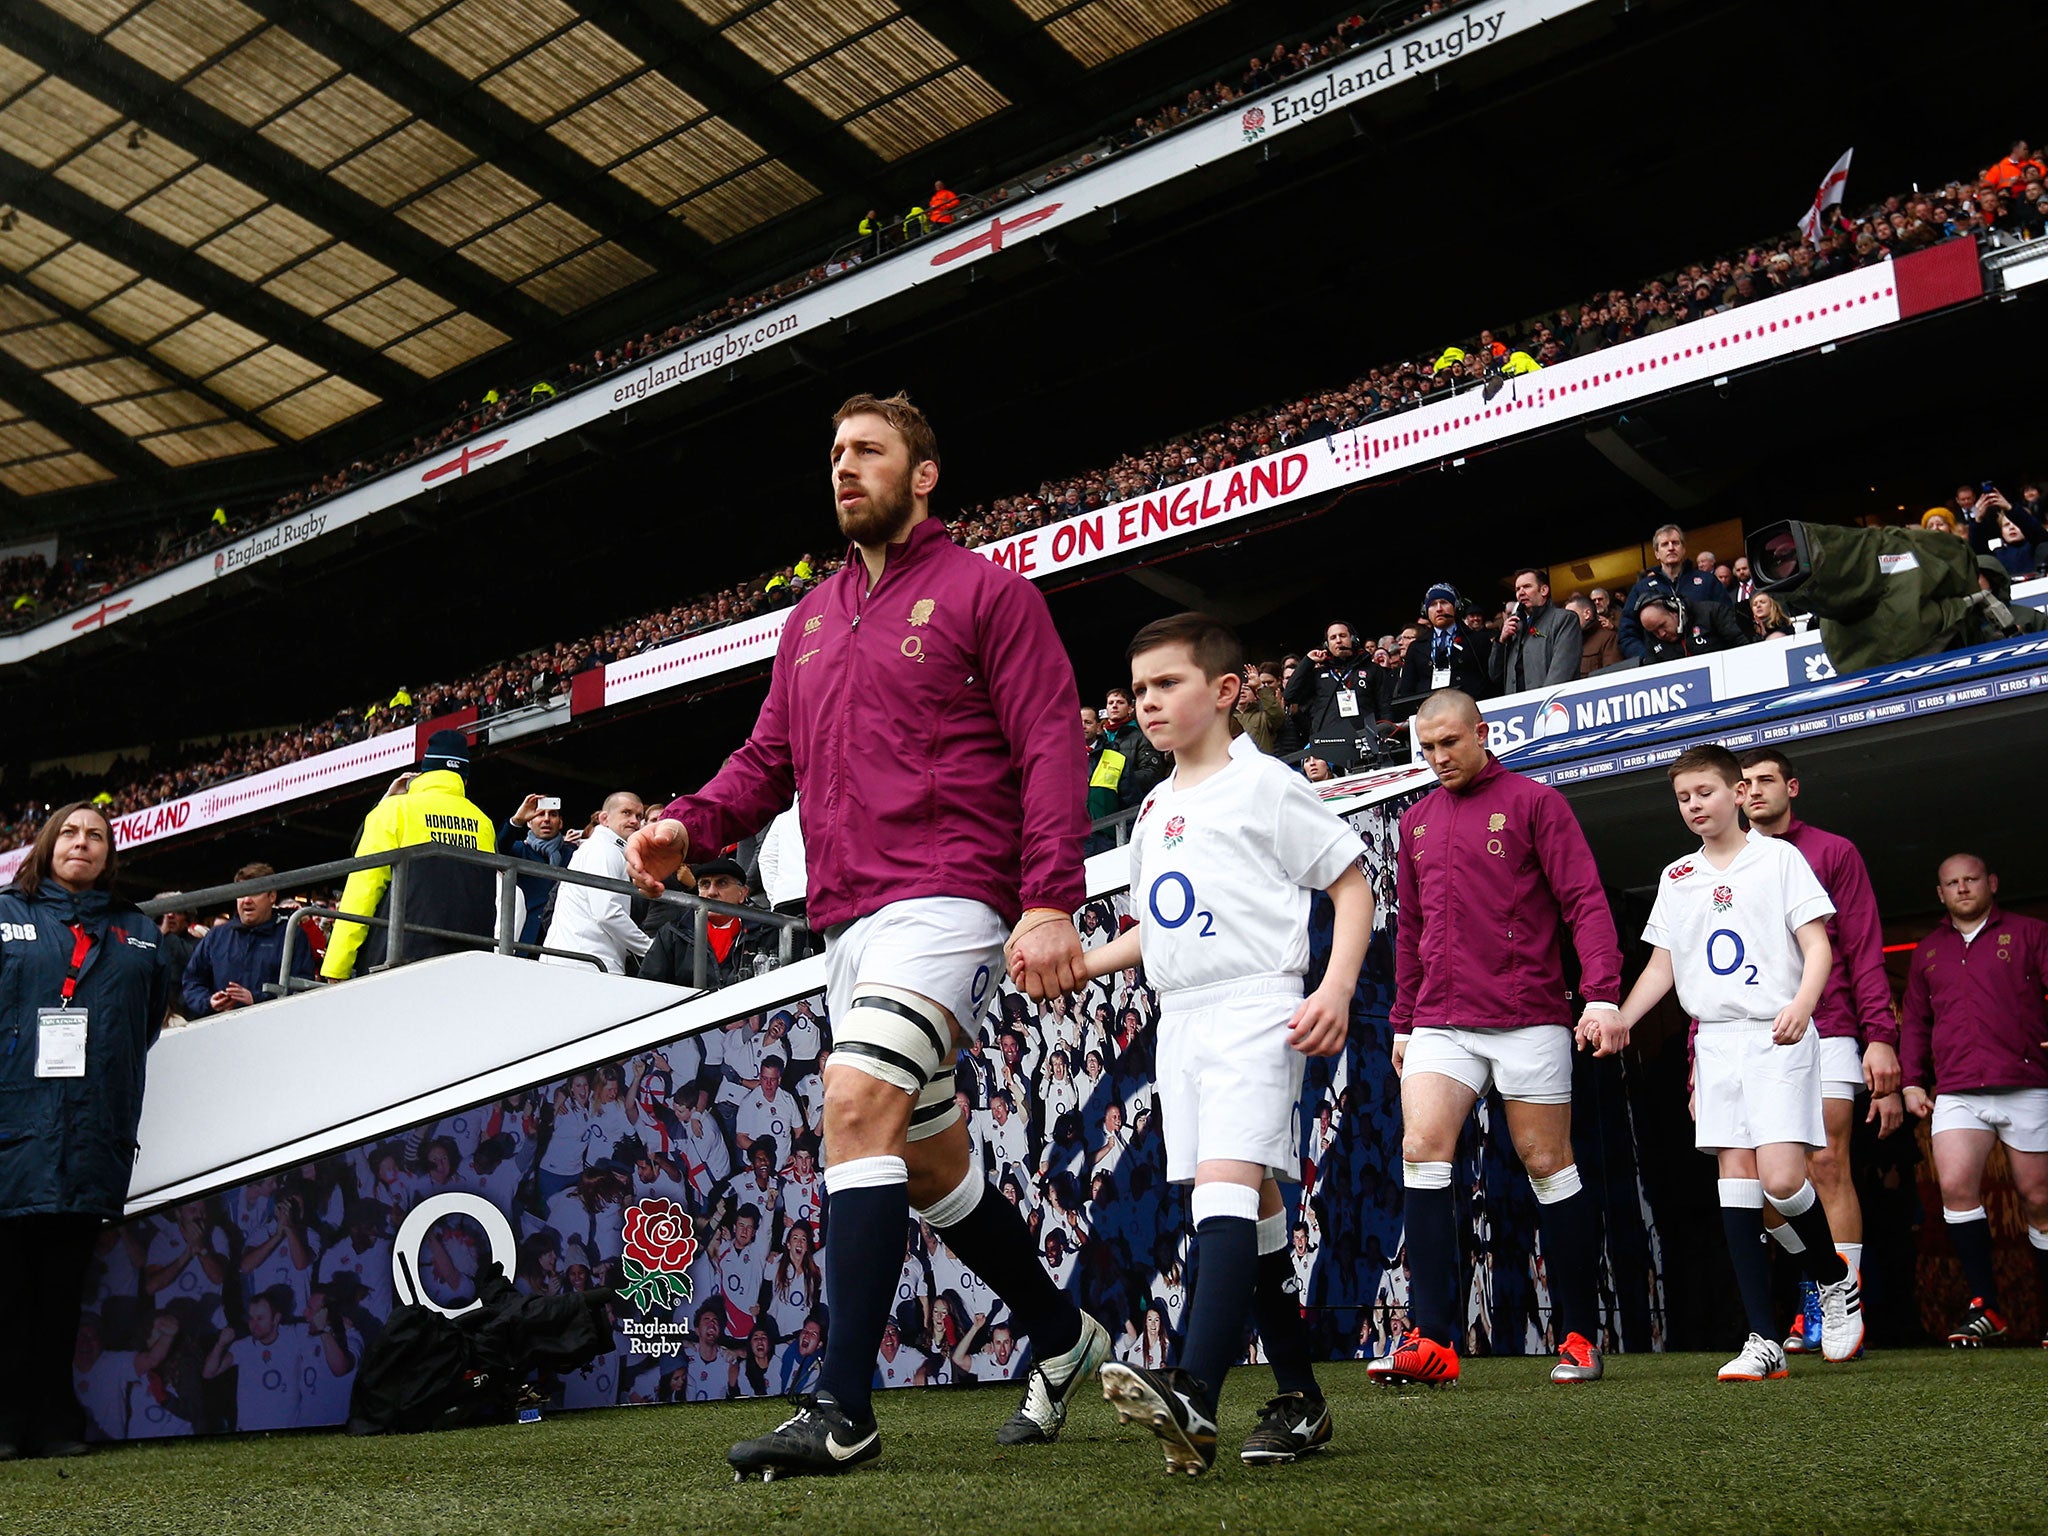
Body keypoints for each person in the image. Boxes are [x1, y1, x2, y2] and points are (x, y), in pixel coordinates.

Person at [624, 392, 1109, 1480]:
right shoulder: (806, 619)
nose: (844, 468)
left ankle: (841, 1405)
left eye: (867, 452)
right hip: (846, 917)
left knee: (851, 1104)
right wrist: (684, 827)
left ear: (922, 474)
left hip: (949, 899)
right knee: (931, 1163)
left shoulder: (987, 594)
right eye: (834, 453)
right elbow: (762, 765)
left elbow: (1046, 745)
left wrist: (1046, 898)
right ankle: (1062, 1332)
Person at [1073, 612, 1370, 1475]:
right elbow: (1161, 928)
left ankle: (1196, 1393)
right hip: (1184, 1016)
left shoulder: (1266, 784)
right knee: (1256, 1210)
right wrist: (1086, 961)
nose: (1149, 703)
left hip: (1254, 1008)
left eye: (1169, 683)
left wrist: (1335, 989)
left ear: (1227, 690)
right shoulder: (1156, 804)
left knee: (1224, 1188)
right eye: (1139, 689)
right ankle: (1302, 1402)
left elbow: (1352, 885)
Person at [1370, 692, 1619, 1389]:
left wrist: (1600, 993)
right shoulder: (1415, 821)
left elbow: (1585, 903)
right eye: (1426, 749)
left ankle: (1579, 1334)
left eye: (1449, 743)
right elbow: (1412, 932)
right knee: (1420, 1147)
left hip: (1528, 1015)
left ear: (1482, 733)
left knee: (1546, 1161)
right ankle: (1433, 1340)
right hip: (1442, 1021)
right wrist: (1404, 1021)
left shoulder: (1539, 804)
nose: (1438, 758)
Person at [1593, 744, 1863, 1380]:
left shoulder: (1780, 859)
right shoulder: (1677, 877)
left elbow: (1818, 945)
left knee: (1781, 1180)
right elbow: (1663, 964)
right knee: (1736, 1184)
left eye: (1705, 793)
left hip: (1778, 1036)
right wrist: (1623, 1019)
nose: (1694, 806)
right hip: (1714, 1042)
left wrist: (1802, 1003)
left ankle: (1831, 1275)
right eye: (1683, 797)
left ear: (1738, 794)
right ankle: (1762, 1339)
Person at [0, 802, 174, 1460]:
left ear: (109, 854)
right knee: (8, 1291)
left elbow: (146, 1025)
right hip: (13, 1127)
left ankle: (52, 1421)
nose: (82, 843)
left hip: (92, 1131)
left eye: (95, 836)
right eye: (70, 833)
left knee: (63, 1290)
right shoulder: (5, 915)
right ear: (47, 845)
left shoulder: (139, 933)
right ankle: (7, 1421)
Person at [1739, 750, 1901, 1357]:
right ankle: (1823, 1288)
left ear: (1792, 787)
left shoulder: (1832, 851)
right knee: (1767, 1184)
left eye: (1765, 781)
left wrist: (1879, 1034)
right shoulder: (1724, 862)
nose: (1753, 791)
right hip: (1749, 1038)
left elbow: (1862, 946)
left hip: (1829, 1023)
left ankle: (1836, 1306)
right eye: (1744, 783)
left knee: (1826, 1162)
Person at [1899, 854, 2048, 1347]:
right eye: (1951, 883)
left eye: (1971, 880)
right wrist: (1913, 1081)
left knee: (2038, 1198)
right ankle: (1987, 1306)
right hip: (1958, 1089)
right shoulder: (1927, 951)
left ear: (1992, 883)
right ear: (1940, 893)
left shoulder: (2030, 933)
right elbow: (1916, 1021)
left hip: (2026, 1083)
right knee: (1956, 1186)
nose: (1962, 888)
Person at [321, 730, 497, 981]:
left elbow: (364, 888)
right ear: (464, 780)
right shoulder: (483, 822)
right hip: (466, 963)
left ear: (424, 771)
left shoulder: (394, 811)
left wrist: (336, 965)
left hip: (398, 960)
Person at [180, 862, 317, 1016]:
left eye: (254, 893)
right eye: (241, 894)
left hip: (274, 1026)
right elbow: (192, 981)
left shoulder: (292, 935)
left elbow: (303, 987)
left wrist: (257, 1000)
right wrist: (209, 1001)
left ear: (272, 896)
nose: (246, 900)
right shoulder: (216, 936)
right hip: (222, 1027)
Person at [542, 793, 651, 975]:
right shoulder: (604, 850)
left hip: (585, 961)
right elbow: (606, 913)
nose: (634, 821)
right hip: (586, 963)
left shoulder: (605, 848)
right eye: (626, 813)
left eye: (639, 816)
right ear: (604, 818)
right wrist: (649, 948)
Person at [640, 859, 773, 990]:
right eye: (705, 884)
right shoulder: (672, 934)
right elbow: (649, 987)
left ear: (742, 893)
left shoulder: (765, 931)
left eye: (722, 883)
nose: (711, 892)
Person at [1618, 525, 1732, 659]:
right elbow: (1627, 633)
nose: (1671, 547)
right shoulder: (1641, 589)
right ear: (1657, 553)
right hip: (1665, 670)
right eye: (1665, 544)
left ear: (1683, 549)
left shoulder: (1707, 581)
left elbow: (1729, 619)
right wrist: (1647, 658)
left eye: (1675, 543)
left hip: (1711, 660)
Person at [1284, 621, 1379, 778]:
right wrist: (1308, 661)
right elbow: (1290, 695)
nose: (1338, 641)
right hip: (1330, 750)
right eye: (1333, 638)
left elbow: (1384, 705)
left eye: (1342, 636)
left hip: (1366, 745)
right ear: (1327, 644)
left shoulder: (1371, 669)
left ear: (1353, 639)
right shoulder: (1318, 674)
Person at [1394, 583, 1491, 714]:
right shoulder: (1416, 647)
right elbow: (1407, 691)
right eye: (1433, 604)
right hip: (1430, 717)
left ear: (1456, 607)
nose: (1439, 609)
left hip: (1469, 712)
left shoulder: (1477, 640)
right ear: (1426, 611)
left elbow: (1489, 680)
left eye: (1444, 602)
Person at [503, 794, 578, 950]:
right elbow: (497, 849)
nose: (546, 819)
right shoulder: (518, 849)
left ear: (561, 822)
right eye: (539, 814)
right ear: (529, 822)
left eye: (553, 814)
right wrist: (517, 820)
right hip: (525, 935)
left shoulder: (573, 854)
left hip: (563, 937)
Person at [1488, 569, 1580, 695]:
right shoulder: (1513, 624)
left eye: (1526, 587)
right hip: (1515, 707)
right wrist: (1501, 641)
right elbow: (1495, 675)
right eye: (1517, 589)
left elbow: (1562, 670)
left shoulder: (1564, 619)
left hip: (1548, 706)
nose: (1521, 593)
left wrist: (1541, 703)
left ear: (1544, 590)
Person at [1101, 687, 1168, 808]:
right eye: (1111, 703)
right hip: (1102, 806)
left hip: (1130, 807)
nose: (1114, 706)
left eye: (1120, 702)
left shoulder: (1142, 736)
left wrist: (1120, 780)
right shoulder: (1099, 738)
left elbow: (1152, 773)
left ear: (1130, 708)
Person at [1635, 593, 1749, 663]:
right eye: (1654, 632)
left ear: (1674, 611)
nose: (1661, 634)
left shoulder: (1711, 612)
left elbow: (1743, 643)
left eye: (1662, 625)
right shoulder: (1652, 639)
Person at [1565, 594, 1619, 676]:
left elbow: (1613, 675)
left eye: (1571, 616)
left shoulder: (1608, 638)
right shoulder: (1567, 643)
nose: (1567, 621)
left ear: (1587, 614)